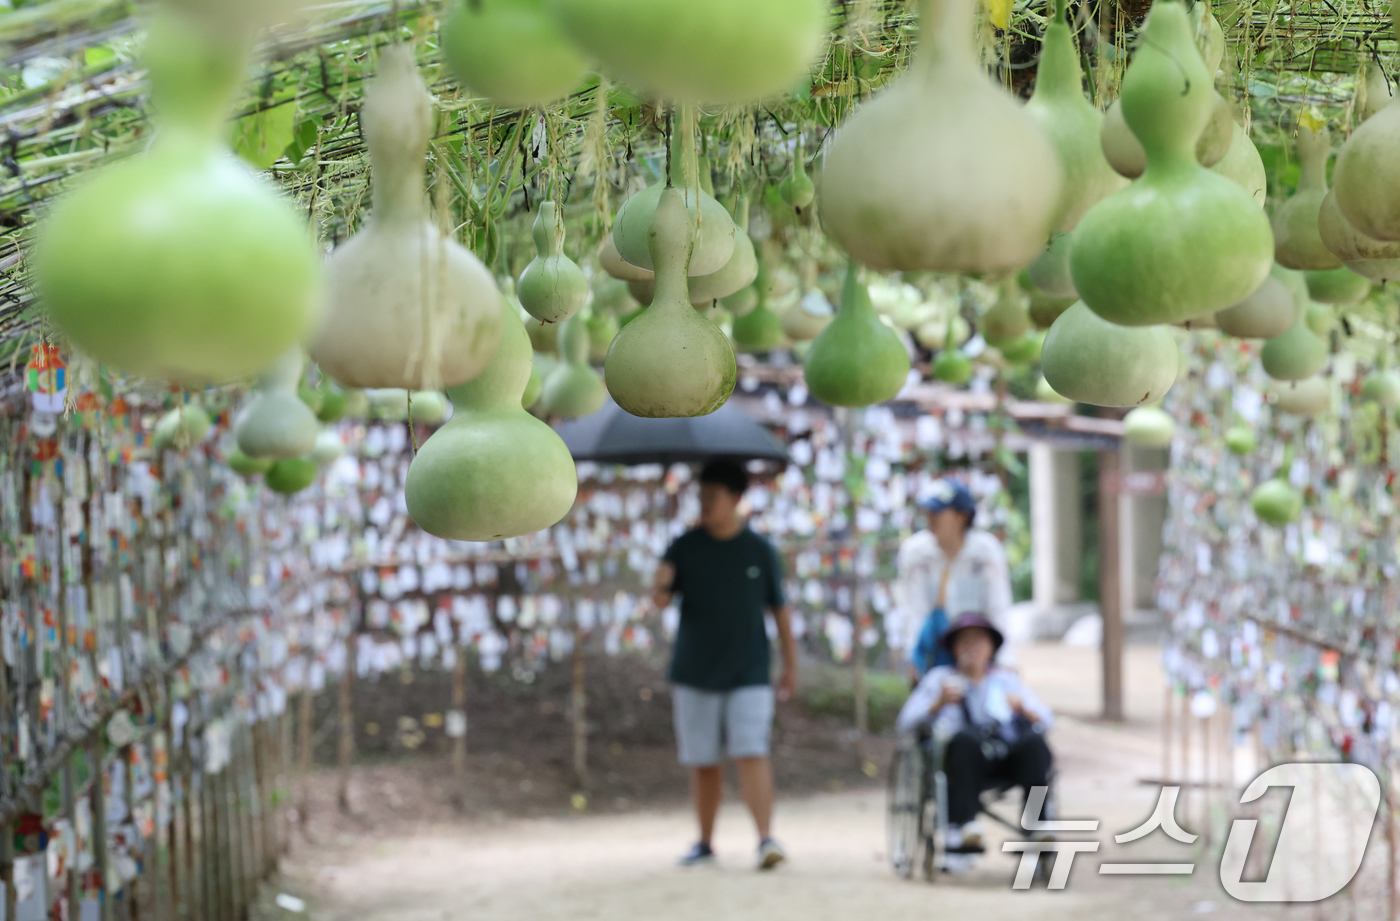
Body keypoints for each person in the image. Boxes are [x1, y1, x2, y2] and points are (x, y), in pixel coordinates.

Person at [652, 459, 797, 871]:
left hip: (749, 669)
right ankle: (704, 841)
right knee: (702, 760)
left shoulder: (760, 551)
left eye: (711, 498)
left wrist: (790, 664)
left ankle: (766, 838)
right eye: (700, 497)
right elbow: (660, 600)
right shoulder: (683, 546)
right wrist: (662, 579)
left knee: (752, 750)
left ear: (735, 499)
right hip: (694, 671)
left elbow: (780, 611)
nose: (704, 505)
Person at [895, 613, 1054, 853]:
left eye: (979, 641)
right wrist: (936, 705)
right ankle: (965, 824)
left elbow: (1046, 719)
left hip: (1005, 756)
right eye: (965, 642)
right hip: (960, 761)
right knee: (964, 740)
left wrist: (1024, 710)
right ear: (954, 649)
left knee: (1034, 744)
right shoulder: (939, 679)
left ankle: (1037, 823)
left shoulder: (1005, 680)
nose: (973, 648)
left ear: (992, 648)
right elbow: (904, 722)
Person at [895, 477, 1015, 681]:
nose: (930, 517)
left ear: (961, 517)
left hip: (978, 658)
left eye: (938, 511)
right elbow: (912, 610)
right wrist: (914, 658)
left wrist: (1005, 659)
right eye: (928, 511)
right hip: (934, 657)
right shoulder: (914, 553)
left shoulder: (986, 552)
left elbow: (998, 607)